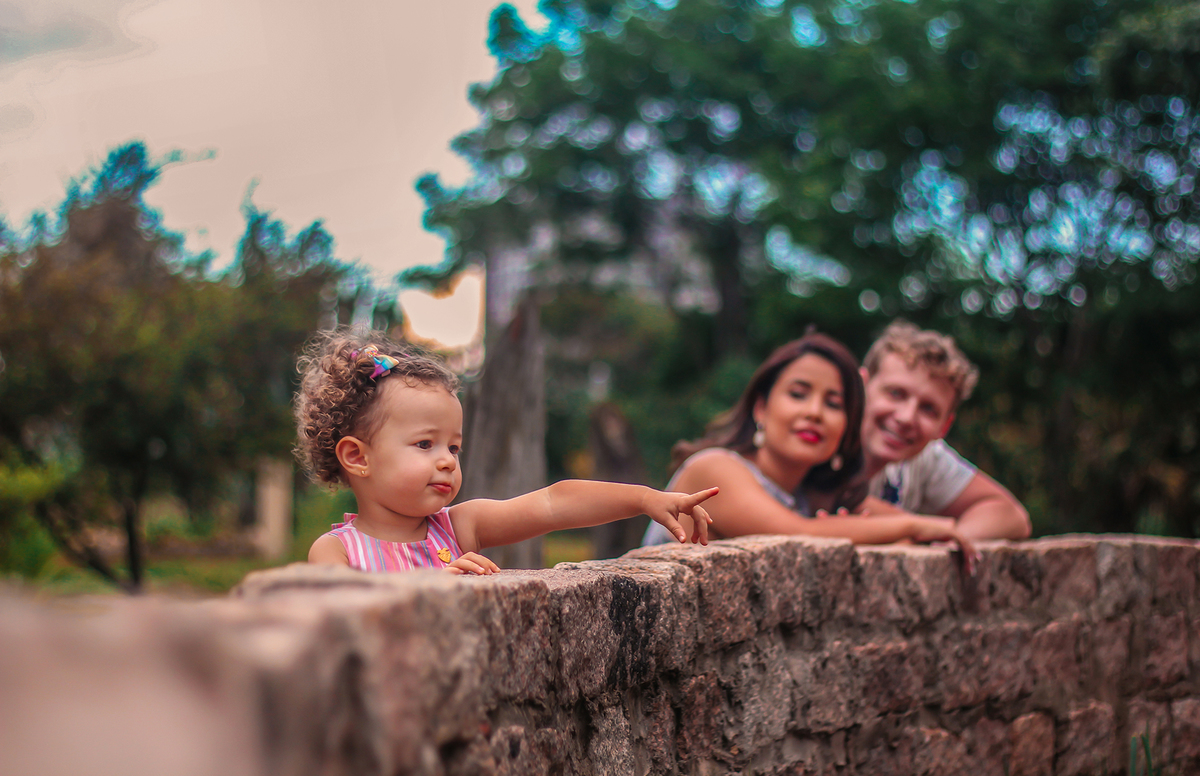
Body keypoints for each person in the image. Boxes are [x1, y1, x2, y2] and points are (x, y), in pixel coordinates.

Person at [296, 330, 717, 575]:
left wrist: (644, 499)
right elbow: (346, 619)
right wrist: (429, 587)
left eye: (454, 447)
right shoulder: (336, 552)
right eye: (425, 444)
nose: (446, 460)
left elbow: (554, 503)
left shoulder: (458, 527)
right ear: (357, 457)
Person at [640, 332, 979, 568]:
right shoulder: (713, 471)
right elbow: (798, 534)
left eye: (833, 403)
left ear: (847, 424)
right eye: (798, 394)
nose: (815, 412)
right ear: (761, 408)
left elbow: (901, 529)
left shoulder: (817, 494)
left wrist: (913, 532)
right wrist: (912, 529)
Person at [852, 320, 1031, 540]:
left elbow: (1011, 516)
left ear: (944, 426)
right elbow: (838, 499)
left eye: (928, 409)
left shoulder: (925, 457)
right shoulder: (819, 438)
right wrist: (917, 528)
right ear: (859, 388)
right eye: (896, 393)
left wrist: (947, 542)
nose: (907, 418)